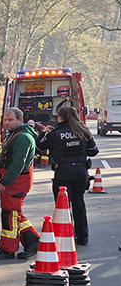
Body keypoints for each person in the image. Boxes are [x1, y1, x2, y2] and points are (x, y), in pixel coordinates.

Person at [37, 105, 99, 245]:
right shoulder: (83, 131)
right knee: (79, 203)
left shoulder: (55, 133)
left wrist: (43, 133)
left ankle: (66, 237)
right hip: (80, 172)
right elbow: (93, 151)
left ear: (60, 117)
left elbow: (39, 146)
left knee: (63, 206)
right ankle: (82, 237)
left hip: (63, 172)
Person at [0, 107, 42, 260]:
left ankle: (7, 249)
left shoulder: (22, 138)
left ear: (20, 120)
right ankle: (33, 241)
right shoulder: (15, 135)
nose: (6, 123)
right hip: (15, 180)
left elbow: (18, 163)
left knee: (10, 214)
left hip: (17, 181)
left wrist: (4, 182)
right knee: (14, 213)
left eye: (10, 120)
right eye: (5, 120)